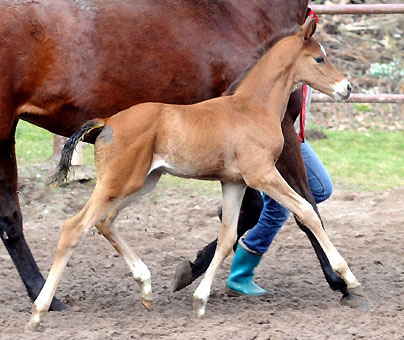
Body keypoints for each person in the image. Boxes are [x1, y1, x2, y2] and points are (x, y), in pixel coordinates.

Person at [226, 79, 334, 296]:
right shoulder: (286, 58)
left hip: (294, 138)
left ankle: (241, 216)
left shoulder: (309, 58)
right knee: (278, 207)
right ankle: (240, 274)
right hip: (276, 138)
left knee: (321, 189)